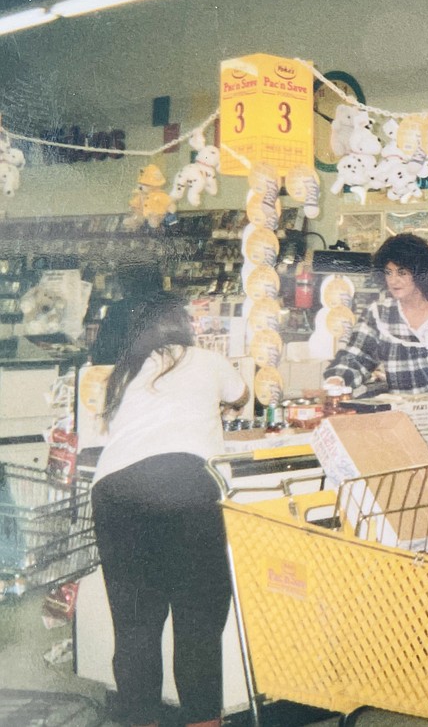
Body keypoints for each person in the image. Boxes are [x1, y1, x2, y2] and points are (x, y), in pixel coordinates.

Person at [91, 292, 249, 727]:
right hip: (186, 487)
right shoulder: (206, 360)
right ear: (186, 326)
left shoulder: (125, 371)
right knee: (197, 621)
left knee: (136, 625)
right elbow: (242, 394)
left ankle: (141, 719)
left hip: (116, 492)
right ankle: (202, 721)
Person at [324, 233, 428, 411]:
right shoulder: (380, 313)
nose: (393, 280)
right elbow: (356, 356)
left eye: (402, 272)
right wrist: (337, 379)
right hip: (405, 416)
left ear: (420, 273)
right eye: (388, 272)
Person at [90, 262, 164, 365]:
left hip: (126, 374)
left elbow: (103, 355)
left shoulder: (118, 310)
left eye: (122, 281)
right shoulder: (170, 310)